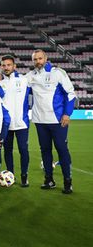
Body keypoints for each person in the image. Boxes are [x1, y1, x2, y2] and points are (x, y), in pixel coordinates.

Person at [27, 49, 75, 194]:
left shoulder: (57, 73)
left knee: (61, 149)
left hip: (57, 120)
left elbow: (70, 93)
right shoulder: (31, 76)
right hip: (40, 120)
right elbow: (16, 82)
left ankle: (68, 181)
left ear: (46, 58)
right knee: (45, 150)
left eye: (40, 59)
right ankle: (49, 179)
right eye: (35, 59)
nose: (38, 62)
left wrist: (67, 113)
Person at [0, 55, 31, 187]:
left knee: (23, 150)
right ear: (1, 67)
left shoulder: (25, 80)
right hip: (5, 124)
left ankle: (24, 176)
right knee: (7, 151)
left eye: (9, 65)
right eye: (4, 65)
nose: (6, 67)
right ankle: (11, 175)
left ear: (14, 66)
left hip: (22, 123)